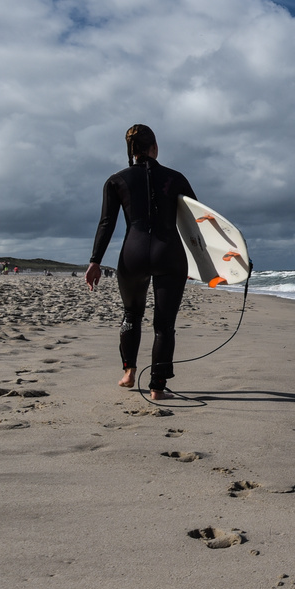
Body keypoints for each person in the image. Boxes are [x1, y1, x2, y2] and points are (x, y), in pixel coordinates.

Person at [84, 125, 196, 399]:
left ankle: (128, 373)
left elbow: (106, 223)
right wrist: (199, 264)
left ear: (131, 151)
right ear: (154, 148)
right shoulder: (176, 178)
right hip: (169, 254)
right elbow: (196, 224)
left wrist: (95, 261)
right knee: (164, 325)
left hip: (132, 254)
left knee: (132, 315)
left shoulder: (116, 181)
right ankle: (157, 386)